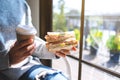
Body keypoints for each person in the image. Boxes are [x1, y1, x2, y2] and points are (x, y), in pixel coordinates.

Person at [0, 0, 74, 80]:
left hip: (30, 68)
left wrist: (52, 48)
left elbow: (30, 44)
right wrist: (8, 59)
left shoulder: (21, 4)